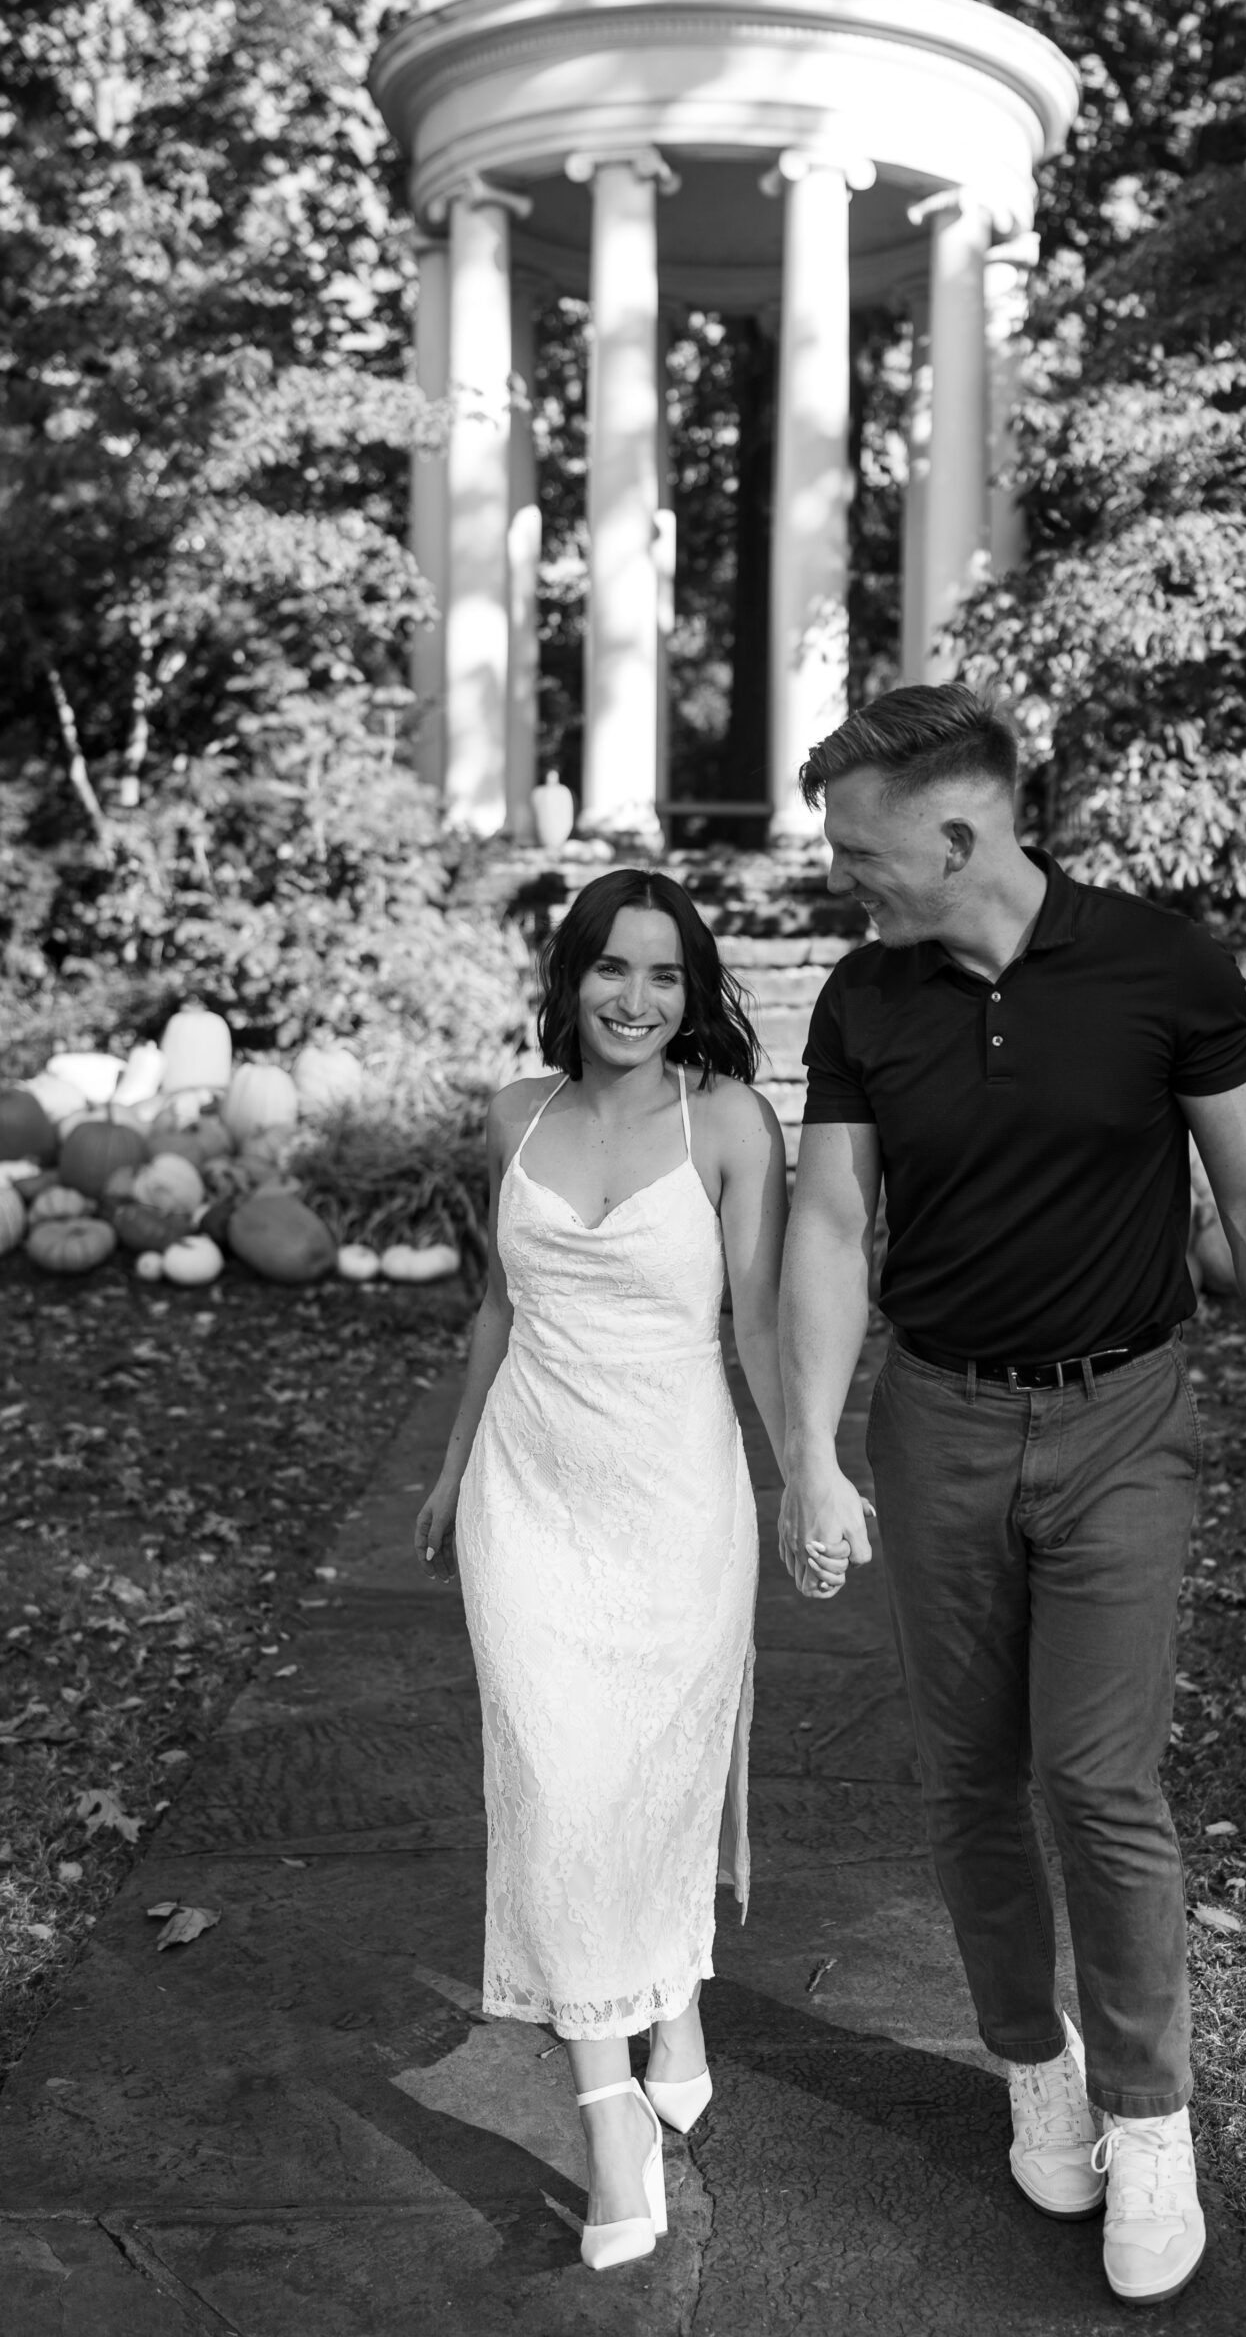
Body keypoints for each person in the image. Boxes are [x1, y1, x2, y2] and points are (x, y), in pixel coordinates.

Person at [777, 685, 1246, 2306]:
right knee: (967, 1778)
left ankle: (1149, 2117)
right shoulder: (865, 998)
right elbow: (829, 1228)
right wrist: (812, 1447)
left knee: (1098, 1781)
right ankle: (1036, 2060)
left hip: (1124, 1423)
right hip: (938, 1422)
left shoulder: (1160, 965)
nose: (845, 880)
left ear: (960, 835)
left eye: (863, 852)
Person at [414, 868, 810, 2273]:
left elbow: (759, 1330)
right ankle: (606, 2123)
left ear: (695, 993)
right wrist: (453, 1471)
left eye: (665, 975)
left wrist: (811, 1469)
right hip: (526, 1497)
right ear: (570, 979)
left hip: (676, 1500)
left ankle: (677, 1991)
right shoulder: (515, 1119)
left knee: (656, 1777)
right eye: (611, 971)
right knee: (554, 1785)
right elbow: (495, 1312)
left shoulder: (730, 1126)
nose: (637, 1000)